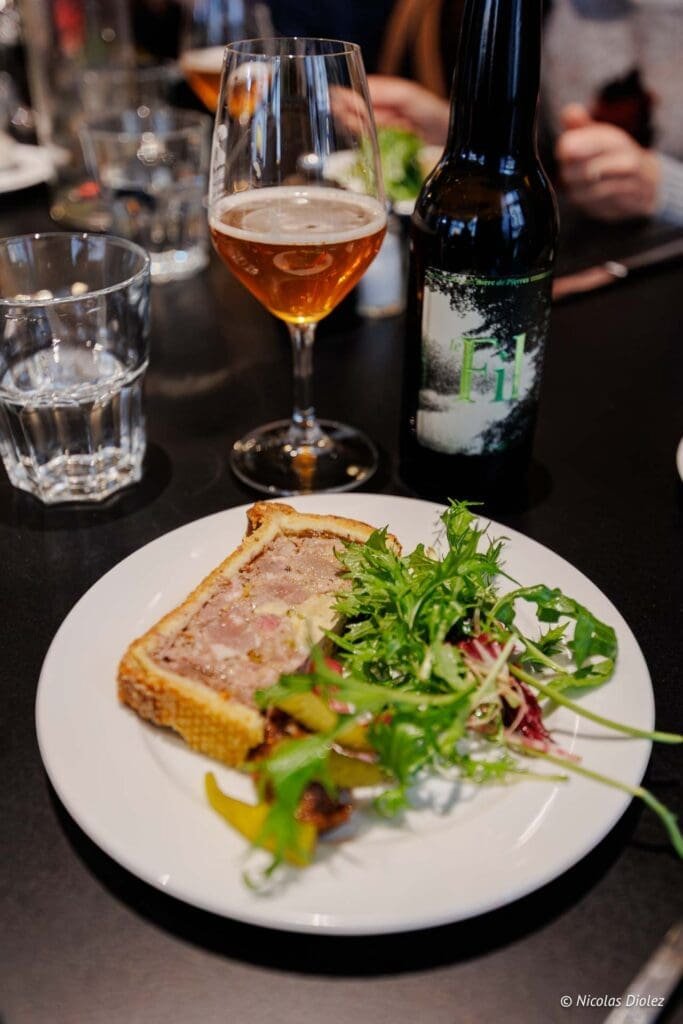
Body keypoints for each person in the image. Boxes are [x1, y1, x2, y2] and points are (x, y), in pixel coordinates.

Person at [368, 0, 683, 225]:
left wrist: (663, 188)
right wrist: (461, 132)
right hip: (581, 253)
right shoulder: (548, 10)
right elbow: (541, 148)